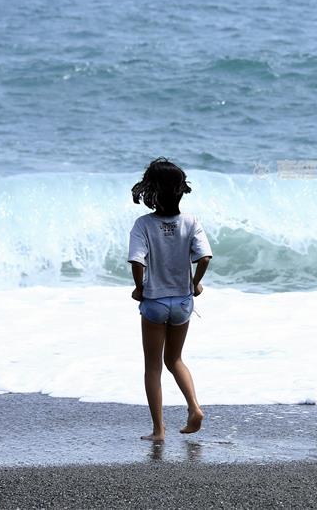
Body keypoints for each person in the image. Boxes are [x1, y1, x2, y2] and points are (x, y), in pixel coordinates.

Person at [128, 157, 213, 442]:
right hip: (183, 303)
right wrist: (195, 283)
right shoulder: (191, 221)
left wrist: (139, 288)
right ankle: (194, 408)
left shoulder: (143, 225)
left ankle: (158, 430)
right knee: (175, 359)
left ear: (151, 191)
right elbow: (204, 257)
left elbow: (137, 261)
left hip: (155, 303)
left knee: (153, 367)